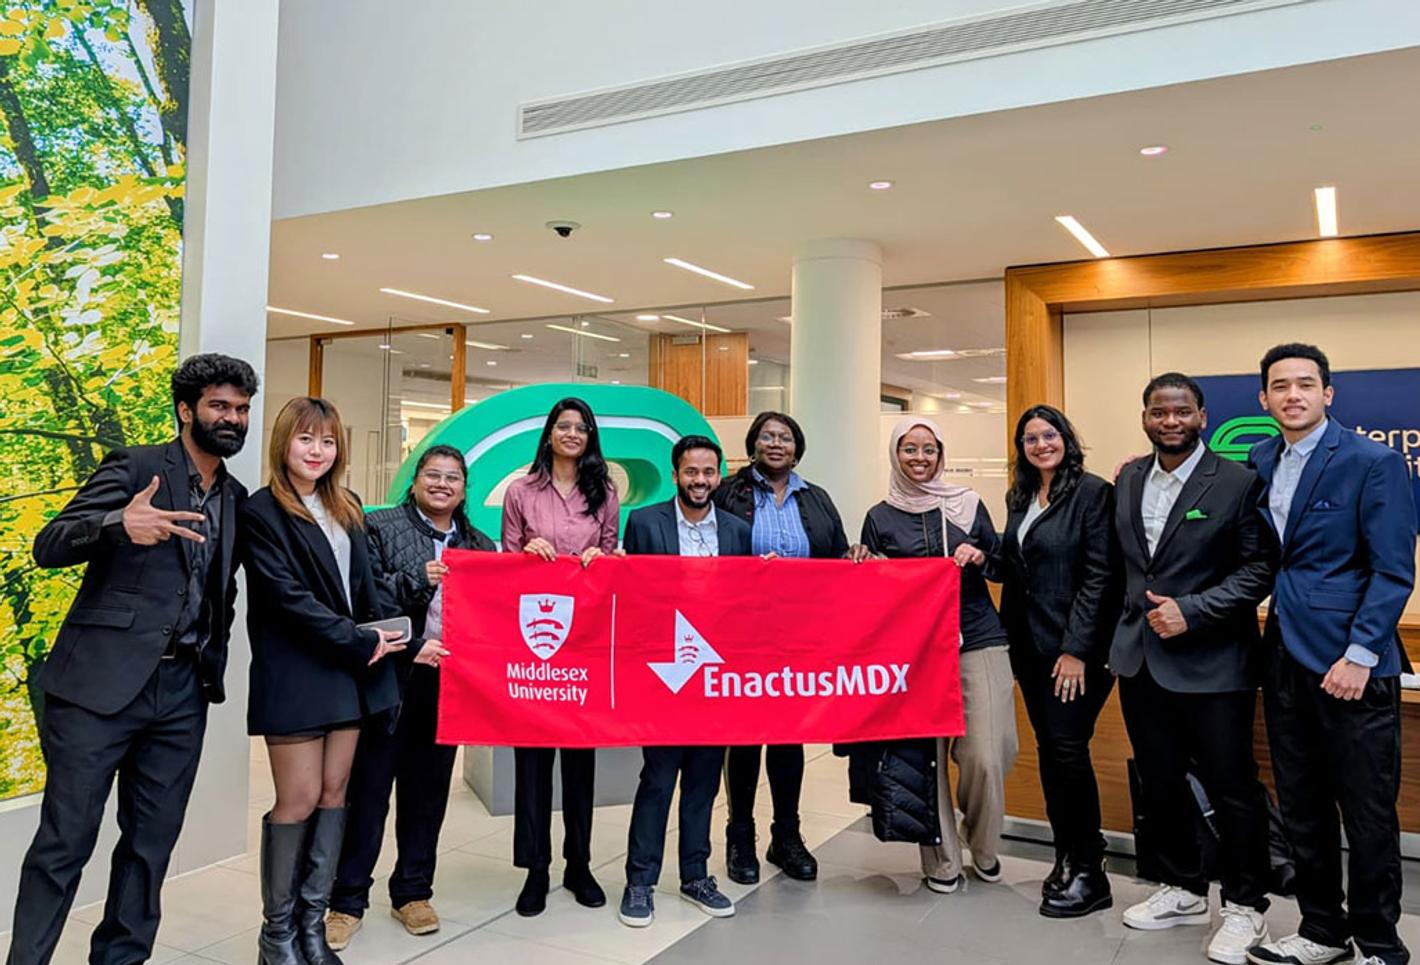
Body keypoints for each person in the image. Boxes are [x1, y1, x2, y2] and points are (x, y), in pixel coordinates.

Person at [7, 354, 258, 965]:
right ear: (185, 410)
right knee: (64, 842)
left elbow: (221, 591)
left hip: (181, 694)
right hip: (98, 689)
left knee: (151, 847)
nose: (232, 419)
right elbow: (49, 545)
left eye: (242, 409)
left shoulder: (235, 497)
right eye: (219, 406)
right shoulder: (137, 466)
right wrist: (119, 522)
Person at [1245, 345, 1415, 965]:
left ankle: (1379, 942)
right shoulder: (1260, 458)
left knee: (1367, 809)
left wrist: (1361, 652)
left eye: (1306, 384)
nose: (1293, 395)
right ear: (1263, 399)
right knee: (1303, 801)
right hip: (1284, 654)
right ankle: (1321, 930)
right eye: (1280, 386)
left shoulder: (1374, 461)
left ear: (1328, 394)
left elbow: (1394, 569)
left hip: (1352, 663)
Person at [1111, 372, 1276, 965]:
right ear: (1146, 418)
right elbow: (1126, 567)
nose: (1170, 422)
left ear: (1202, 415)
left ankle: (1245, 904)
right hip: (1142, 661)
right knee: (1160, 782)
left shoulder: (1237, 481)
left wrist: (1194, 611)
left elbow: (1259, 569)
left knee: (1233, 788)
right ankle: (1183, 888)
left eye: (1182, 411)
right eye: (1159, 412)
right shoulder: (1128, 477)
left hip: (1214, 662)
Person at [241, 397, 408, 965]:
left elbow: (366, 586)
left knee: (338, 794)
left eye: (328, 441)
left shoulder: (347, 505)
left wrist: (392, 630)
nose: (317, 451)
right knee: (300, 798)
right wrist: (359, 638)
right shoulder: (261, 511)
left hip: (352, 670)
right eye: (306, 439)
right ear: (284, 442)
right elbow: (286, 598)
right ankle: (276, 935)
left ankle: (312, 927)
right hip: (296, 670)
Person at [325, 445, 496, 950]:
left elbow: (496, 613)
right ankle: (346, 899)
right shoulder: (378, 527)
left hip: (449, 685)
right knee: (369, 791)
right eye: (433, 475)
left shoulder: (479, 544)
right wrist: (417, 583)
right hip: (391, 677)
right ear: (416, 480)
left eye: (453, 478)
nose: (443, 484)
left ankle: (413, 892)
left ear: (465, 489)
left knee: (428, 793)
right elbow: (367, 598)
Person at [861, 416, 1018, 894]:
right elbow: (868, 591)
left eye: (929, 449)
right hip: (913, 651)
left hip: (977, 636)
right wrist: (868, 566)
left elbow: (1003, 567)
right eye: (910, 449)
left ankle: (982, 842)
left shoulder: (967, 505)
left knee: (989, 753)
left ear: (941, 454)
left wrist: (980, 557)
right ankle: (941, 859)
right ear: (895, 454)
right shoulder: (880, 515)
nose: (920, 459)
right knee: (922, 760)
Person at [712, 410, 869, 884]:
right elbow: (707, 550)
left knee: (787, 735)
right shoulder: (728, 493)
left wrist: (853, 556)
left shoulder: (815, 498)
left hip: (798, 638)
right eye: (766, 437)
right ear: (753, 445)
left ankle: (788, 835)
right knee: (742, 738)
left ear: (797, 448)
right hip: (740, 636)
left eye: (785, 438)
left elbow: (837, 554)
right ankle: (741, 835)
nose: (775, 444)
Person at [617, 434, 752, 928]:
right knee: (657, 778)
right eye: (691, 472)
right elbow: (632, 596)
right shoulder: (645, 522)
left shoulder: (738, 531)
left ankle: (696, 874)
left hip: (716, 674)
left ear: (719, 476)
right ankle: (639, 880)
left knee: (702, 780)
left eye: (708, 472)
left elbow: (746, 600)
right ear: (675, 475)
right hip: (665, 671)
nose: (700, 481)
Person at [500, 396, 620, 916]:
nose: (572, 434)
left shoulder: (606, 492)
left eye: (581, 428)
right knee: (532, 761)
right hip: (537, 641)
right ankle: (536, 868)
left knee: (580, 758)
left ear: (590, 437)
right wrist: (525, 555)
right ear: (549, 434)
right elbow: (503, 562)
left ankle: (579, 864)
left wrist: (604, 557)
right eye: (563, 426)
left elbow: (617, 556)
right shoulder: (520, 491)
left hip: (586, 640)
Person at [999, 405, 1119, 919]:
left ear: (1067, 439)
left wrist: (1077, 650)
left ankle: (1091, 870)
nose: (1041, 444)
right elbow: (1013, 567)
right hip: (1028, 649)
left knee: (1068, 750)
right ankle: (1067, 855)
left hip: (1077, 653)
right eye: (1030, 438)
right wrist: (980, 557)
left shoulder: (1093, 494)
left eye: (1050, 435)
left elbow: (1101, 577)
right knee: (1050, 751)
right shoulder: (1021, 496)